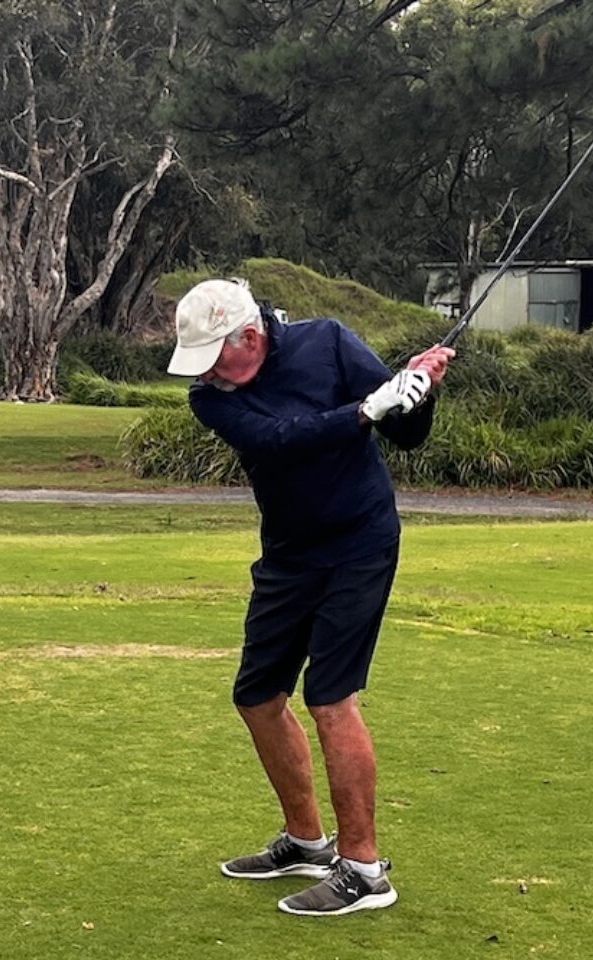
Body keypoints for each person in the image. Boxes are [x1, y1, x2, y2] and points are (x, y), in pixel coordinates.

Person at [167, 278, 451, 917]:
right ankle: (305, 843)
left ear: (249, 336)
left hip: (359, 542)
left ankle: (364, 870)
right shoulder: (209, 398)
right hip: (289, 554)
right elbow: (280, 441)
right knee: (256, 696)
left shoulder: (327, 342)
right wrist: (363, 411)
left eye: (213, 357)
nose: (205, 373)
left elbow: (406, 434)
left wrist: (418, 389)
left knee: (329, 697)